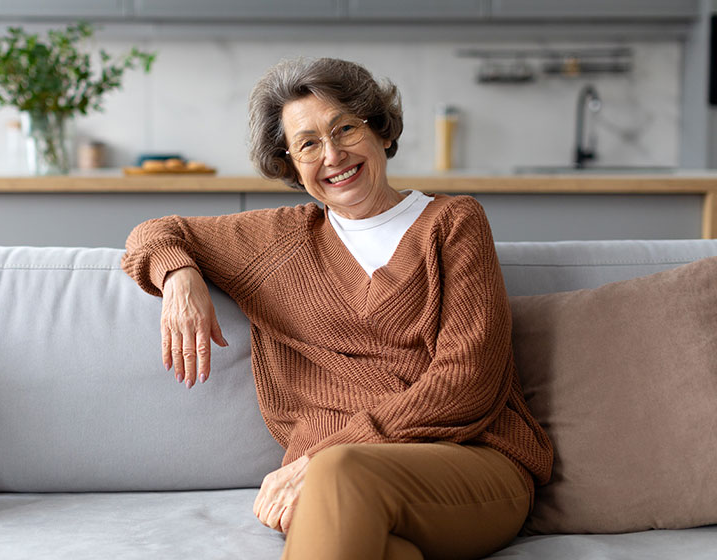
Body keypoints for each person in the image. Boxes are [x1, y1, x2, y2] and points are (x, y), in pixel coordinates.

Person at [121, 57, 553, 560]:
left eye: (344, 128)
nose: (332, 154)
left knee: (341, 472)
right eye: (307, 144)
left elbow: (469, 379)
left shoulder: (453, 222)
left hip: (471, 461)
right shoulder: (280, 241)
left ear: (380, 130)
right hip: (324, 488)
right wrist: (179, 276)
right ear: (289, 163)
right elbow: (152, 233)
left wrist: (330, 454)